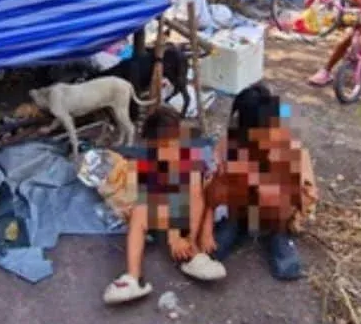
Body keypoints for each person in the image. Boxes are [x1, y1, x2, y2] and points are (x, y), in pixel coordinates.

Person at [102, 108, 226, 305]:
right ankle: (133, 278)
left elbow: (196, 197)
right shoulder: (152, 162)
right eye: (159, 147)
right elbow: (156, 195)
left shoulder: (191, 160)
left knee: (193, 187)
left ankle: (193, 253)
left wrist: (184, 236)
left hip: (189, 218)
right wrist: (170, 234)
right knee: (139, 210)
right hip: (168, 215)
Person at [210, 82, 318, 280]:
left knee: (271, 191)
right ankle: (235, 224)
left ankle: (278, 235)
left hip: (276, 209)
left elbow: (306, 192)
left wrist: (291, 217)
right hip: (241, 206)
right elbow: (214, 178)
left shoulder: (287, 145)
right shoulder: (232, 142)